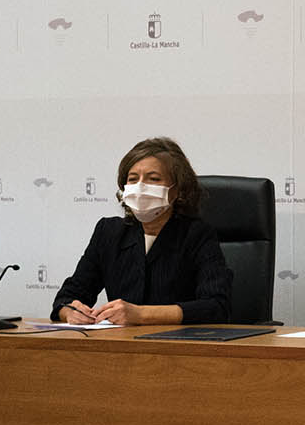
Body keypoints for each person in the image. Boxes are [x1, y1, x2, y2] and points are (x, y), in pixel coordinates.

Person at [52, 137, 232, 325]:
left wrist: (140, 315)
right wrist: (70, 312)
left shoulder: (197, 235)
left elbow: (217, 307)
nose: (140, 188)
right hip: (120, 348)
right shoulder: (108, 232)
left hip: (178, 347)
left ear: (177, 190)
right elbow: (67, 298)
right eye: (133, 179)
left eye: (153, 179)